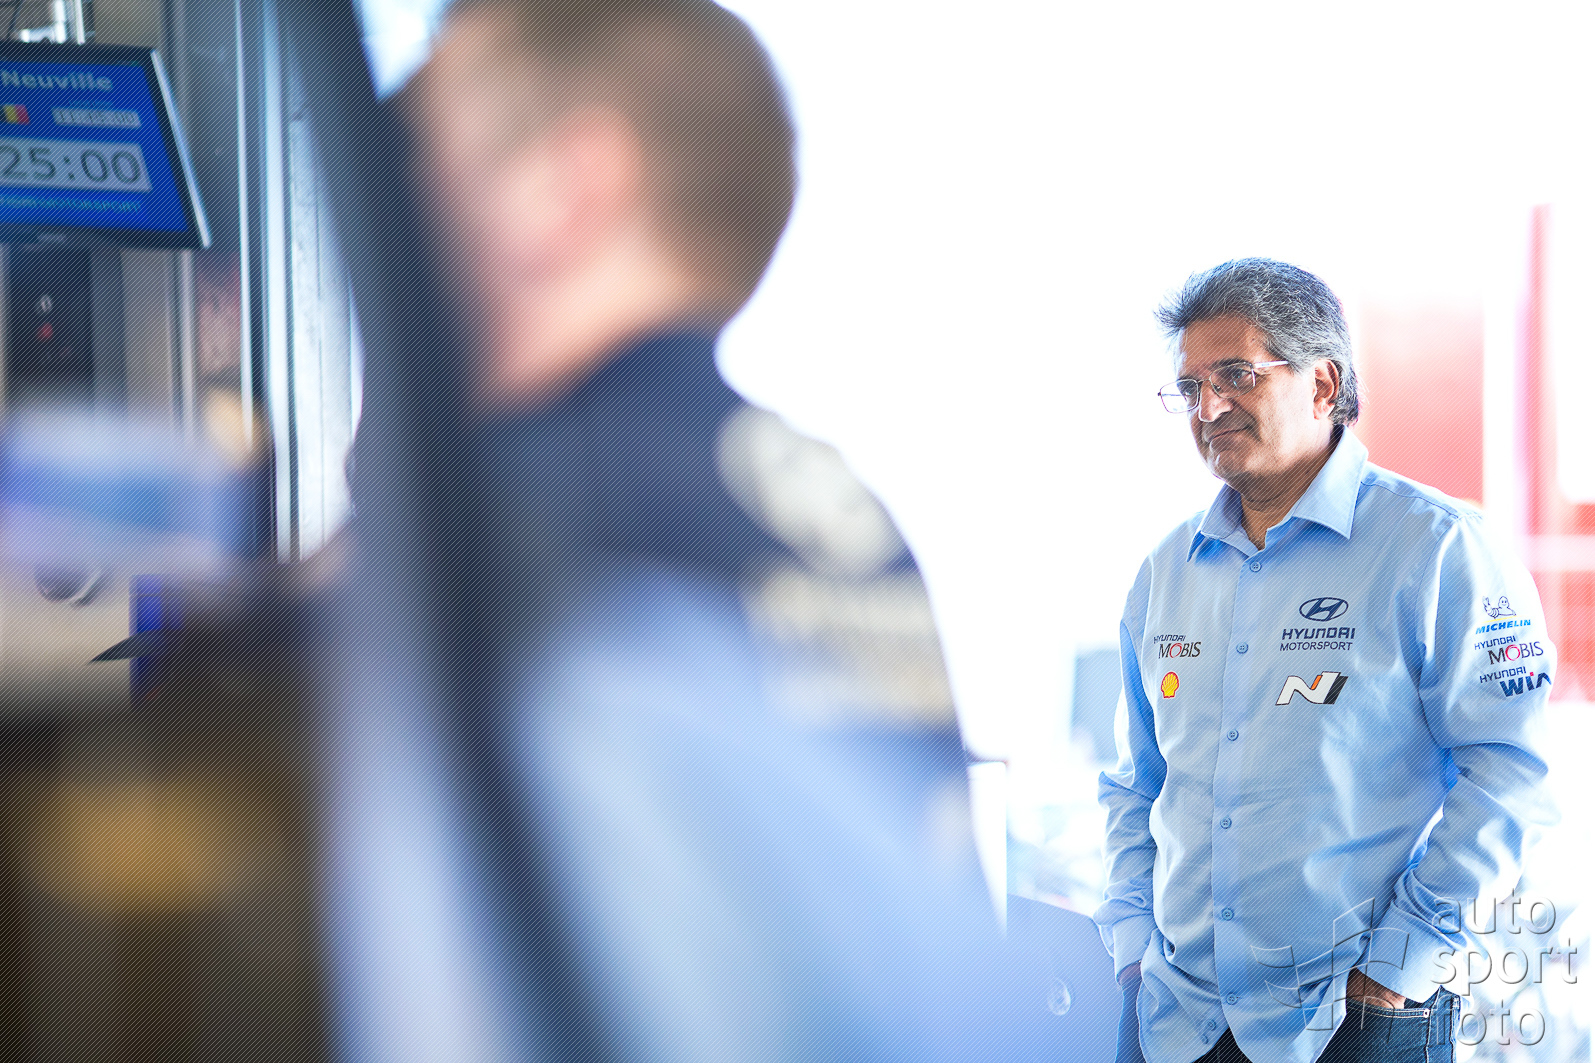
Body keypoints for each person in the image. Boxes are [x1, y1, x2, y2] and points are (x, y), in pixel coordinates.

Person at [324, 1, 1071, 1060]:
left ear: (564, 188)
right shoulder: (832, 512)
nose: (379, 189)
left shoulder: (524, 524)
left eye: (415, 138)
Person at [1095, 258, 1558, 1063]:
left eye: (1235, 375)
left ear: (1321, 383)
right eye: (1190, 386)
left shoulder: (1436, 548)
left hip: (1352, 1017)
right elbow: (1137, 781)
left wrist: (1400, 964)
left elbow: (1510, 775)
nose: (1208, 407)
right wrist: (1132, 943)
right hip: (1172, 1017)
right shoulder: (1166, 571)